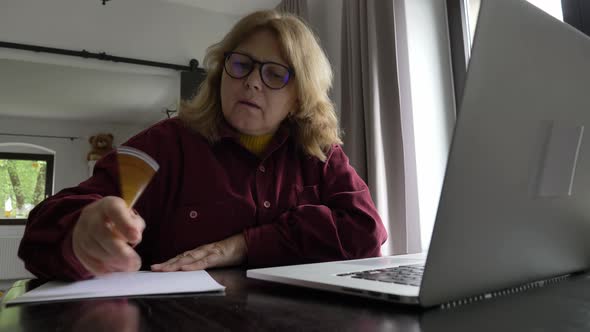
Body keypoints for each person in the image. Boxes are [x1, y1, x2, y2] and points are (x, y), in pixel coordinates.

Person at [18, 10, 388, 280]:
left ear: (299, 97)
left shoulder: (319, 153)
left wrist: (245, 244)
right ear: (220, 73)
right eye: (241, 65)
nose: (252, 83)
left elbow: (367, 232)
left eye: (275, 74)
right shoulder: (164, 144)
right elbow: (40, 233)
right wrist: (81, 230)